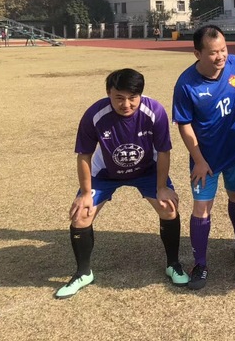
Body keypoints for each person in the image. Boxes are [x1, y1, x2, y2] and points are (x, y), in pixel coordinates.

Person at [55, 68, 188, 298]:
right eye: (119, 98)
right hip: (105, 173)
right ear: (108, 93)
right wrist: (85, 193)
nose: (126, 104)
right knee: (81, 215)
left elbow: (163, 151)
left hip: (147, 169)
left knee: (168, 208)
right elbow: (84, 155)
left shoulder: (155, 111)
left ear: (140, 95)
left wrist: (162, 187)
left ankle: (173, 264)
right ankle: (83, 273)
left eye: (132, 98)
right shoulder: (95, 114)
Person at [172, 25, 235, 290]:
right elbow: (184, 126)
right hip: (206, 160)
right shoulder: (186, 84)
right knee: (201, 209)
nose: (221, 56)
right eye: (213, 52)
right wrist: (199, 160)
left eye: (223, 49)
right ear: (197, 54)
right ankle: (200, 263)